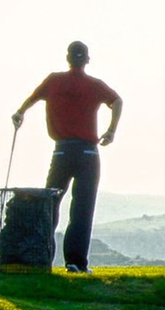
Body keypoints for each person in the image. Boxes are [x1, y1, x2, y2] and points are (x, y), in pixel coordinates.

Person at [12, 41, 123, 274]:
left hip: (62, 151)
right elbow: (117, 101)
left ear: (68, 58)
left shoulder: (53, 81)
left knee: (49, 205)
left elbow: (32, 99)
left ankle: (41, 257)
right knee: (82, 208)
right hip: (88, 153)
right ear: (87, 60)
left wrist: (20, 112)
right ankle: (75, 262)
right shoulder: (95, 85)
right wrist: (111, 130)